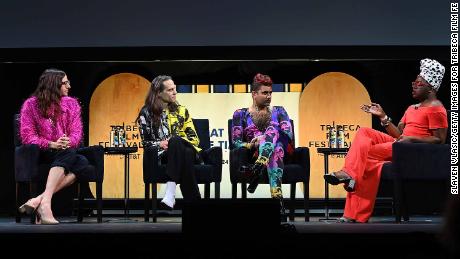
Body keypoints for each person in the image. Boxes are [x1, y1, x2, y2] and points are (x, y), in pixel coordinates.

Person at [324, 58, 448, 223]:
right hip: (398, 145)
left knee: (363, 157)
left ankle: (350, 179)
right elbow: (398, 134)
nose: (413, 85)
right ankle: (351, 195)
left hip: (411, 152)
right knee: (364, 133)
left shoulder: (436, 109)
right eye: (414, 81)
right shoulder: (411, 108)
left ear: (431, 87)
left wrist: (411, 139)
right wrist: (383, 117)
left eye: (418, 83)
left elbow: (439, 140)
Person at [18, 68, 87, 224]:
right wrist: (51, 144)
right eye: (65, 83)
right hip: (42, 151)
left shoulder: (72, 104)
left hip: (64, 150)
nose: (69, 86)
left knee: (81, 160)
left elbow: (77, 132)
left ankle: (41, 201)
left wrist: (68, 141)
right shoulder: (31, 105)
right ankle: (44, 204)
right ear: (53, 85)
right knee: (77, 159)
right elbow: (27, 136)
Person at [231, 73, 294, 221]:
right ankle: (279, 204)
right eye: (265, 93)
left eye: (270, 93)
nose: (269, 96)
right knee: (275, 151)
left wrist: (266, 137)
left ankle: (259, 166)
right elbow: (236, 142)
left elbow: (287, 135)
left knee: (274, 135)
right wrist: (252, 142)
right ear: (254, 94)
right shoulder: (240, 114)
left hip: (284, 149)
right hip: (257, 153)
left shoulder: (279, 111)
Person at [137, 75, 202, 209]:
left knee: (178, 142)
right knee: (186, 154)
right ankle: (196, 205)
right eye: (170, 90)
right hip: (163, 155)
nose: (175, 92)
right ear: (158, 93)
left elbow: (194, 139)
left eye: (175, 88)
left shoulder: (181, 110)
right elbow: (146, 143)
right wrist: (160, 144)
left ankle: (170, 192)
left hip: (186, 149)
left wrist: (173, 142)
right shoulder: (146, 113)